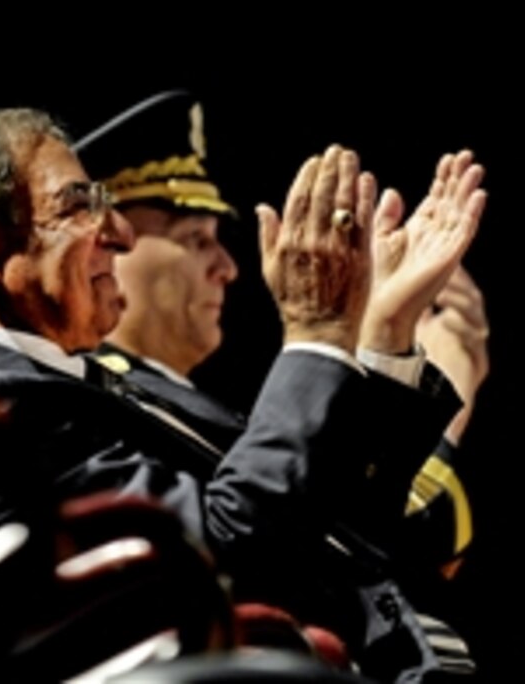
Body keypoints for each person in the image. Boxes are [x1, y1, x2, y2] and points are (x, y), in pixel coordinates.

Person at [0, 107, 484, 680]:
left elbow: (334, 529)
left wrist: (386, 335)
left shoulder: (76, 377)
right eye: (79, 204)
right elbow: (229, 563)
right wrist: (317, 333)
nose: (120, 234)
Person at [75, 90, 489, 575]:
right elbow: (363, 551)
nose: (228, 268)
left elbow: (347, 535)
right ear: (107, 246)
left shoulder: (181, 398)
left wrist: (388, 335)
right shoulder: (87, 405)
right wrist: (440, 390)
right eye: (195, 239)